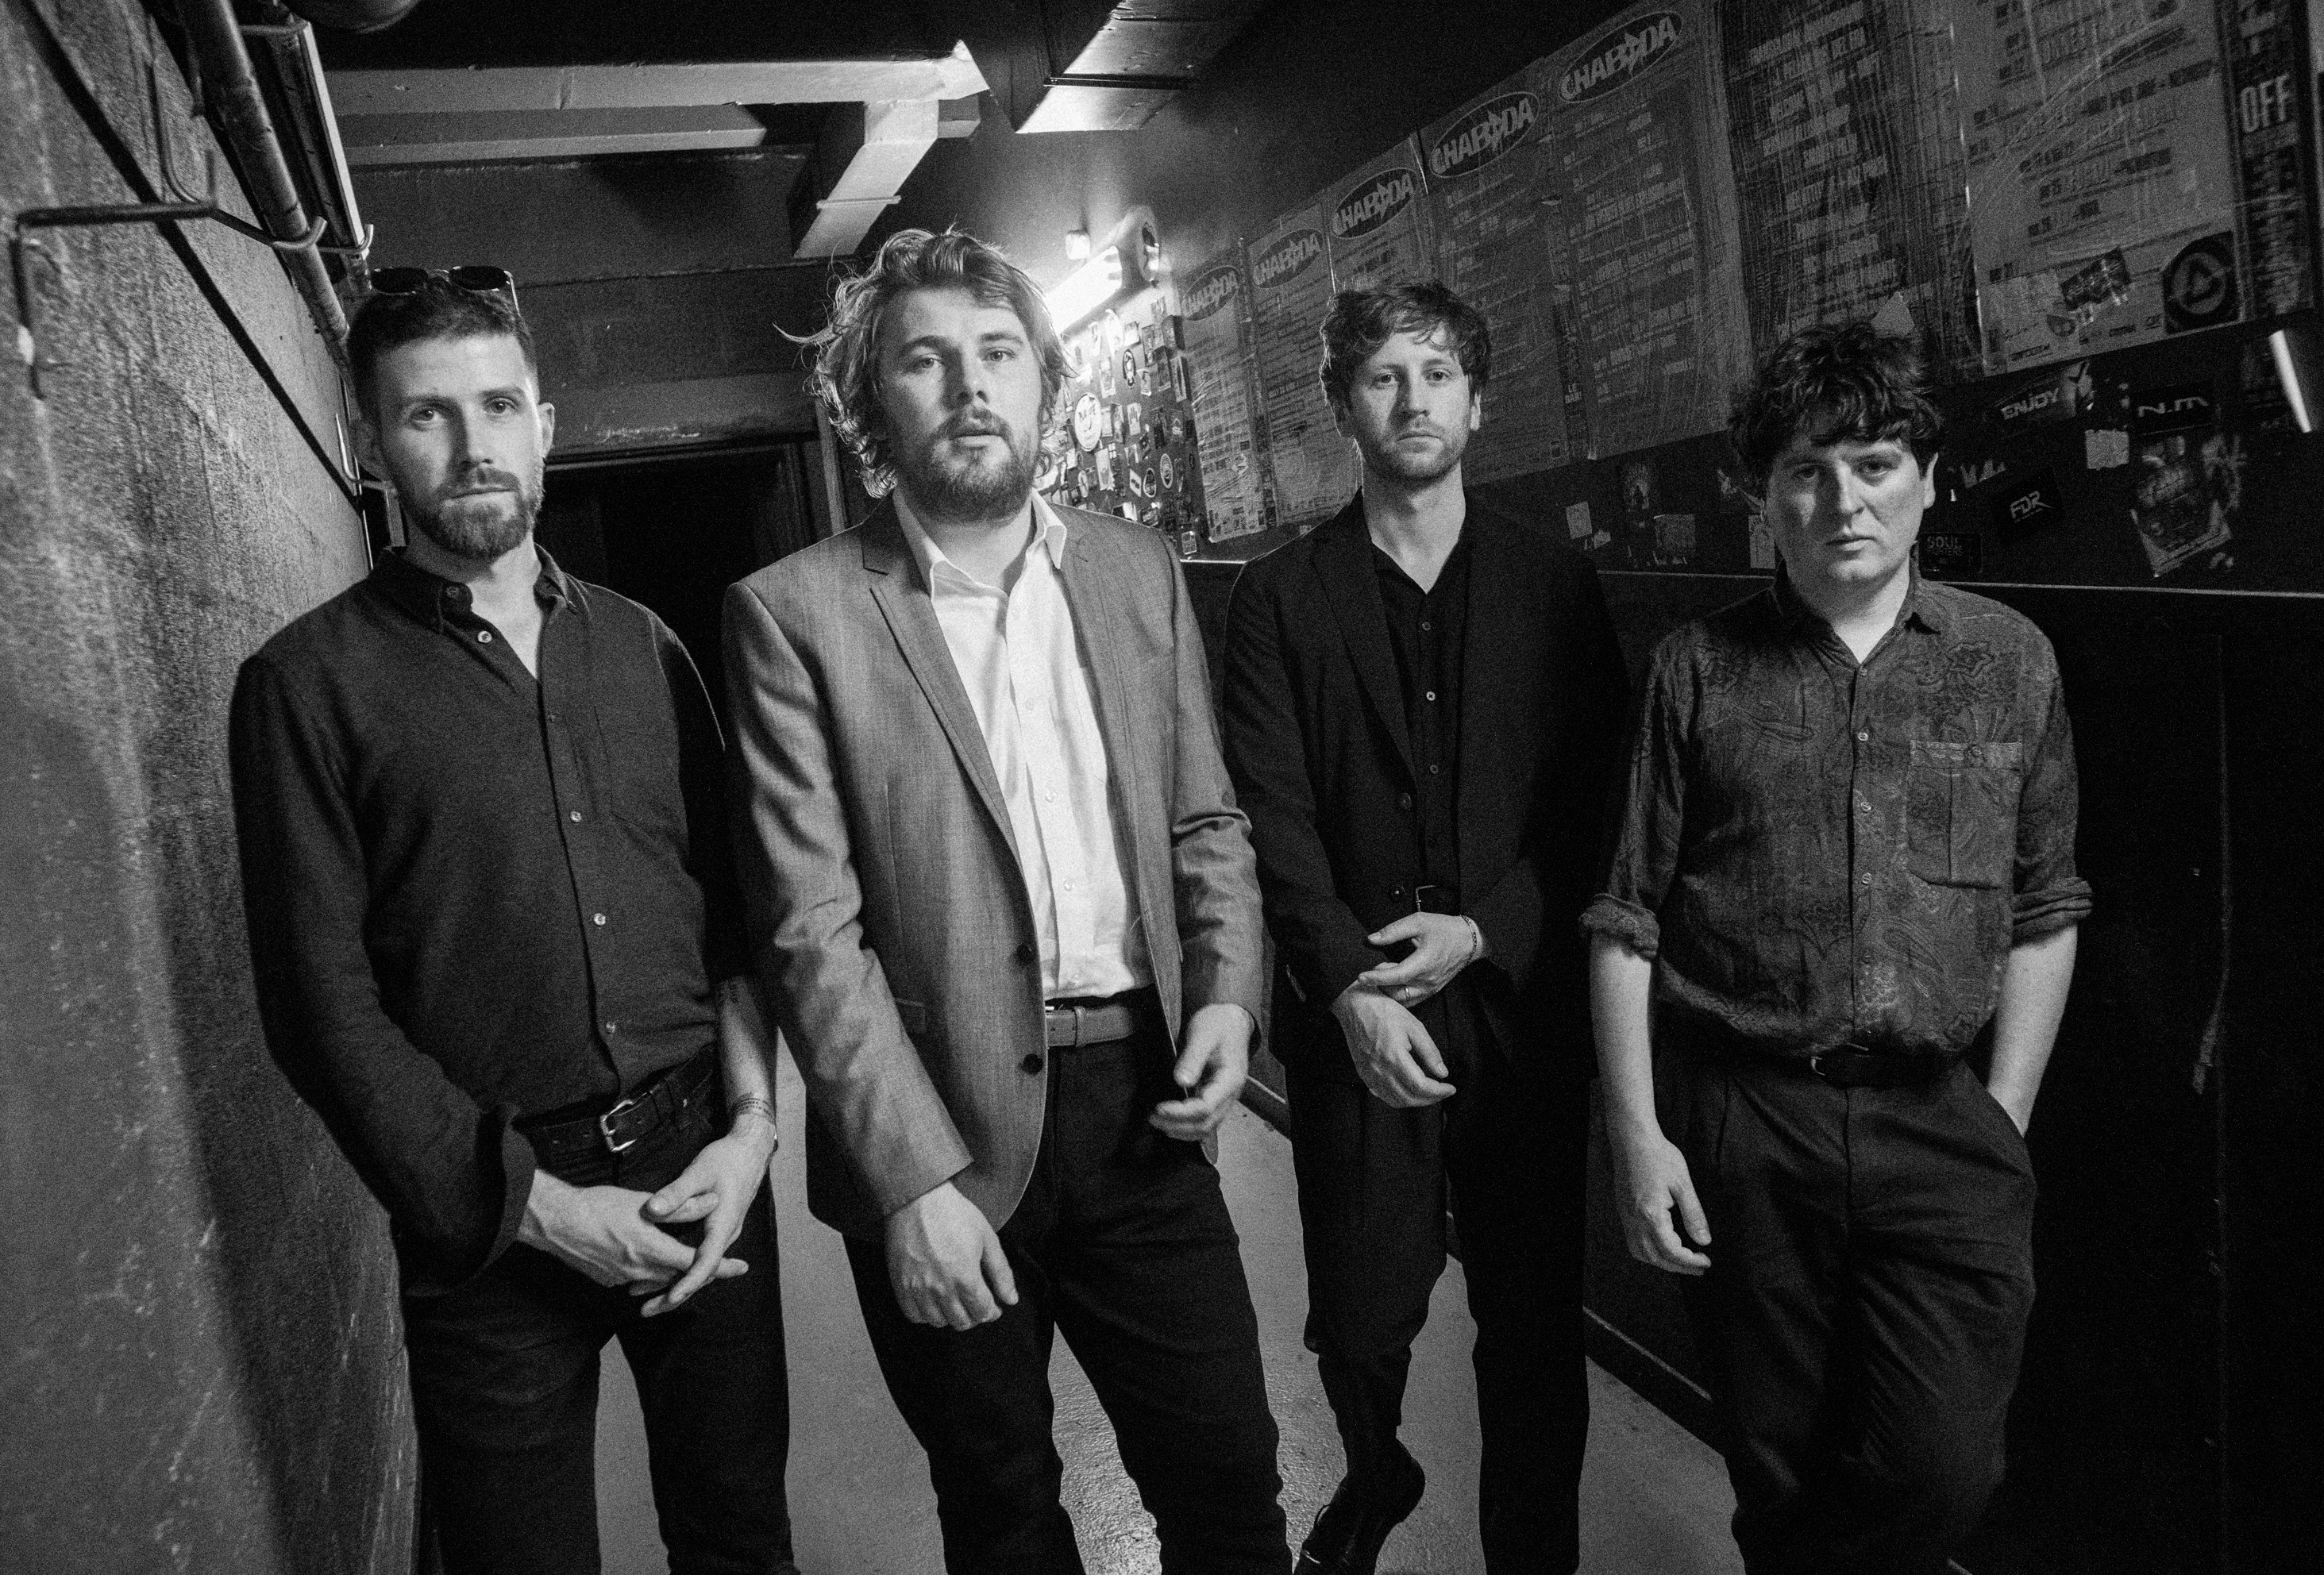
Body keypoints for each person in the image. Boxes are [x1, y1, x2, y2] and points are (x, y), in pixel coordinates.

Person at [719, 228, 1288, 1574]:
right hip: (938, 1123)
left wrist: (1228, 995)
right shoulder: (793, 613)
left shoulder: (1136, 567)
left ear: (1042, 381)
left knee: (1228, 1486)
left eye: (997, 354)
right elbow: (810, 930)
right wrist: (911, 1181)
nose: (970, 386)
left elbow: (1204, 818)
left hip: (1146, 1106)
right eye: (926, 360)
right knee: (1003, 1512)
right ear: (871, 400)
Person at [228, 271, 796, 1575]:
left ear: (543, 425)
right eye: (426, 414)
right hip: (486, 1226)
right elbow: (320, 1013)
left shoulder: (647, 647)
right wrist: (541, 1208)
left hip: (702, 1167)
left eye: (496, 406)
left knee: (743, 1538)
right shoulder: (304, 687)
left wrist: (755, 1133)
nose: (472, 444)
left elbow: (734, 926)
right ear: (371, 442)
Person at [1585, 322, 2091, 1575]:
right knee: (1778, 1465)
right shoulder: (1696, 672)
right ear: (1765, 495)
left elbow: (2044, 907)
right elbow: (1626, 919)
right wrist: (1639, 1137)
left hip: (1941, 1114)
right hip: (1748, 1117)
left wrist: (2004, 1115)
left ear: (1928, 476)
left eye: (1873, 464)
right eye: (1807, 471)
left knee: (1943, 1465)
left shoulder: (2008, 662)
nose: (1843, 501)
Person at [1219, 280, 1630, 1575]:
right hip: (1359, 1020)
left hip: (1516, 1012)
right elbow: (1269, 809)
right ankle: (1377, 1464)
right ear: (1345, 405)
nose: (1413, 400)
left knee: (1531, 1330)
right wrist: (1347, 982)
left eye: (1438, 374)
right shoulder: (1279, 595)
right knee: (1356, 1320)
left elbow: (1592, 801)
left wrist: (1485, 930)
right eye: (1385, 376)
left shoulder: (1555, 581)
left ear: (1476, 402)